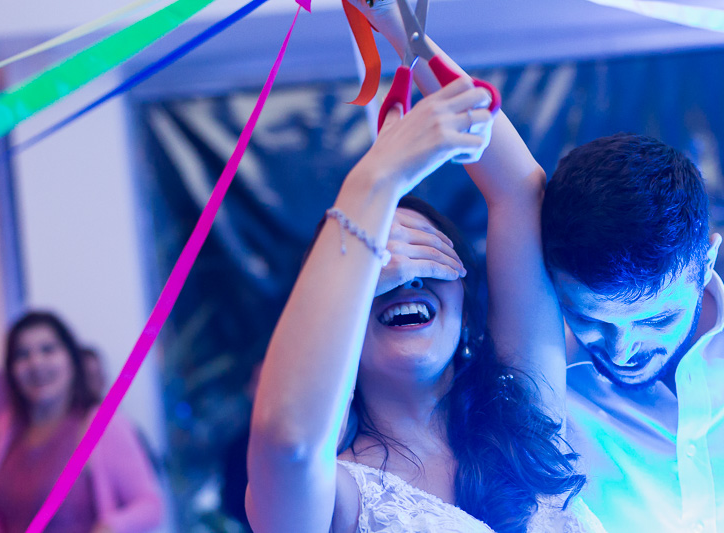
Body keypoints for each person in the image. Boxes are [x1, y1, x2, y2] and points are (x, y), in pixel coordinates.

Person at [245, 6, 607, 530]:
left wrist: (404, 33)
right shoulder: (331, 496)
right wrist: (376, 181)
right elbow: (288, 440)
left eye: (427, 255)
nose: (406, 278)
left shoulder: (526, 418)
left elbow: (519, 189)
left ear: (466, 303)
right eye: (383, 268)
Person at [540, 133, 724, 533]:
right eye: (589, 319)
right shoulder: (544, 384)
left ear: (707, 261)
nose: (620, 352)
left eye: (656, 320)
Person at [0, 239, 163, 533]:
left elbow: (150, 505)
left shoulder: (101, 426)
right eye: (23, 355)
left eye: (48, 350)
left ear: (71, 361)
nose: (36, 363)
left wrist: (112, 525)